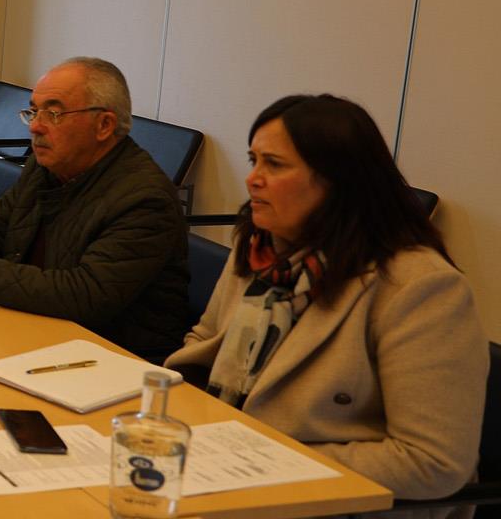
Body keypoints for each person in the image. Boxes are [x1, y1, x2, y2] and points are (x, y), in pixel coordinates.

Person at [167, 95, 483, 501]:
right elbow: (205, 338)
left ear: (337, 181)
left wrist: (265, 456)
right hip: (218, 460)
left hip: (327, 496)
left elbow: (433, 463)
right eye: (254, 160)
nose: (253, 179)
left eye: (274, 164)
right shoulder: (261, 245)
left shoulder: (420, 288)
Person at [0, 57, 189, 362]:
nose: (35, 126)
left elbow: (85, 295)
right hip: (37, 331)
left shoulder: (144, 198)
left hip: (113, 357)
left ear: (104, 125)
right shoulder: (47, 166)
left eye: (53, 114)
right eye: (33, 112)